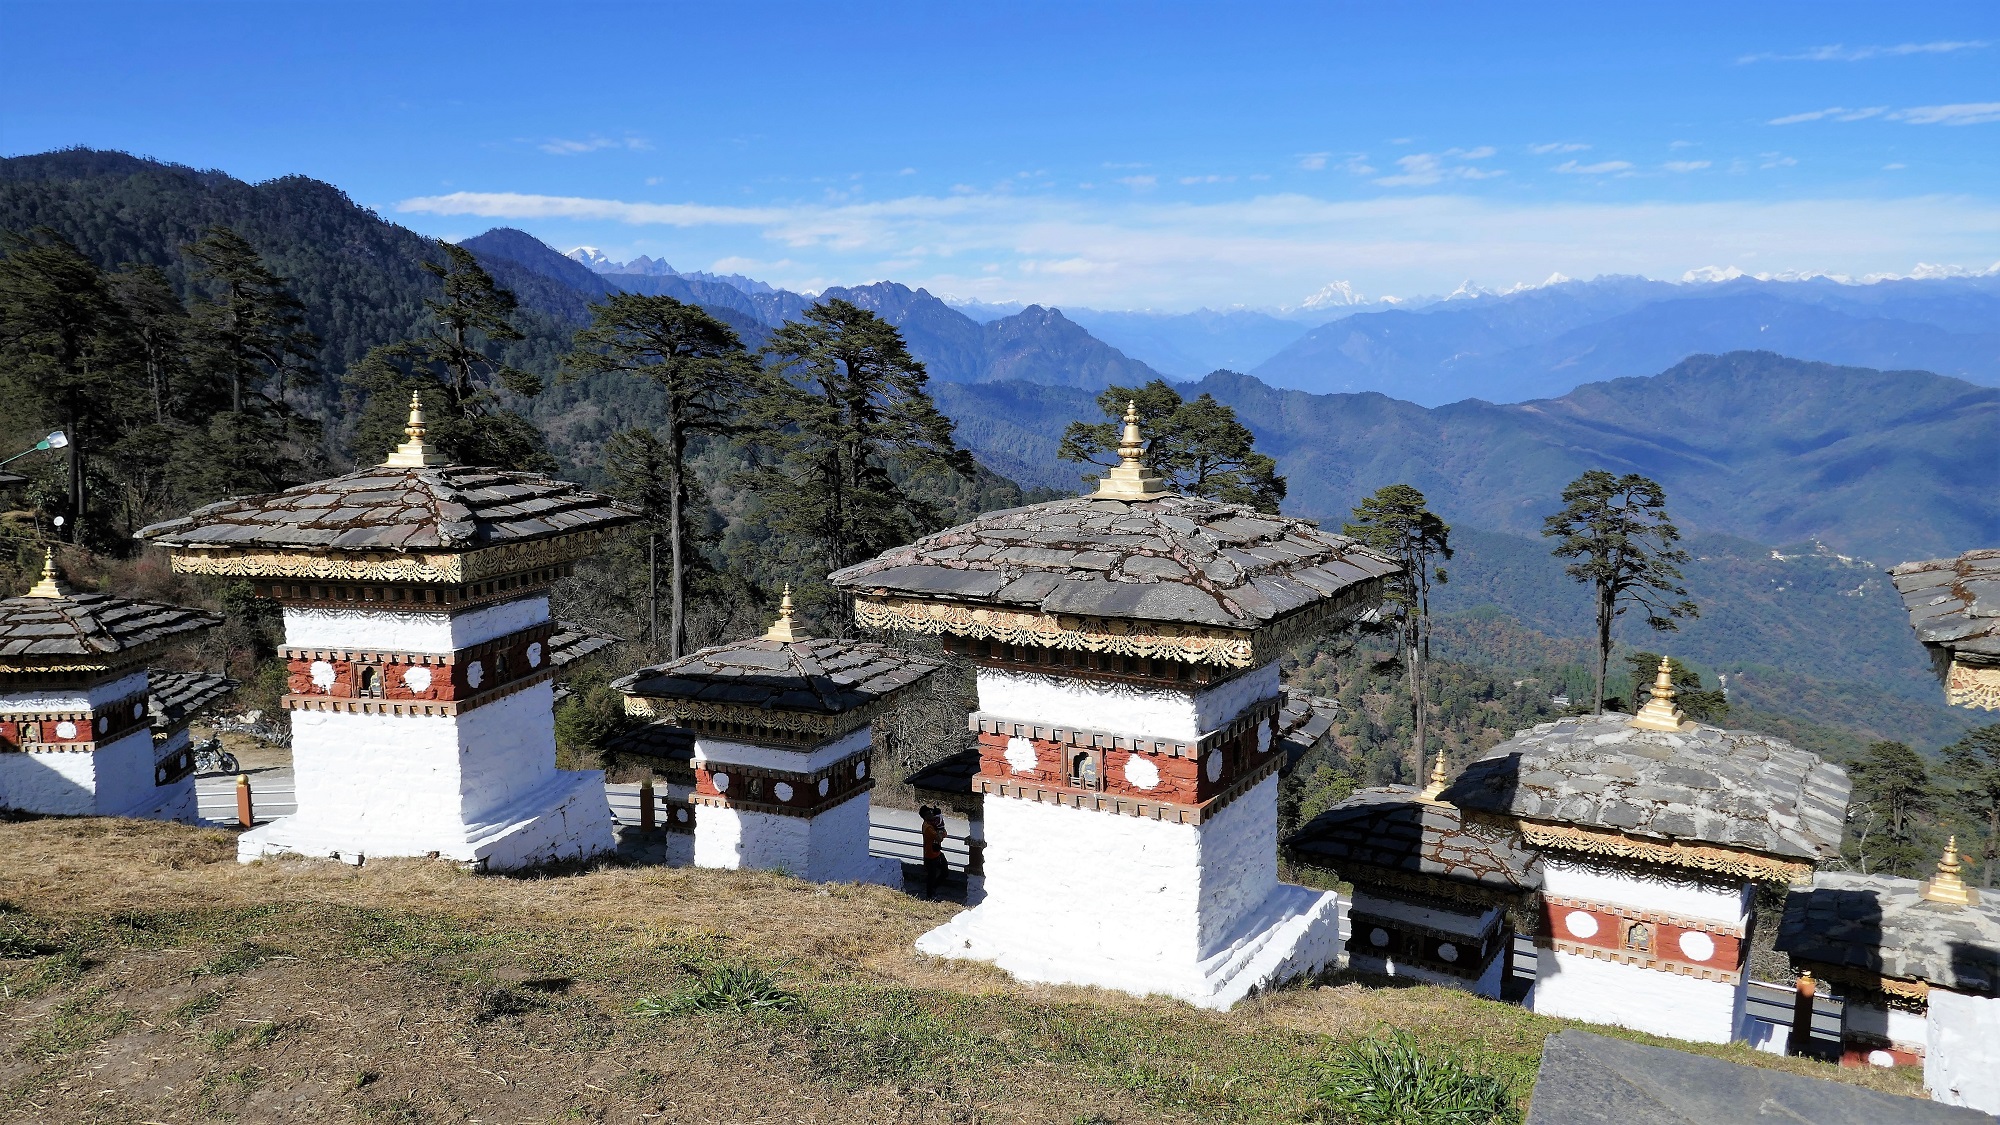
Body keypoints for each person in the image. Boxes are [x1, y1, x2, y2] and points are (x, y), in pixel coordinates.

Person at [919, 805, 950, 899]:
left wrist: (941, 831)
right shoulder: (927, 827)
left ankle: (933, 889)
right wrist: (941, 830)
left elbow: (944, 833)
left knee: (945, 872)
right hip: (930, 855)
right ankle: (930, 895)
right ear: (925, 816)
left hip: (937, 853)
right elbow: (940, 837)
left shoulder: (932, 824)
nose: (932, 814)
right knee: (931, 877)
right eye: (929, 813)